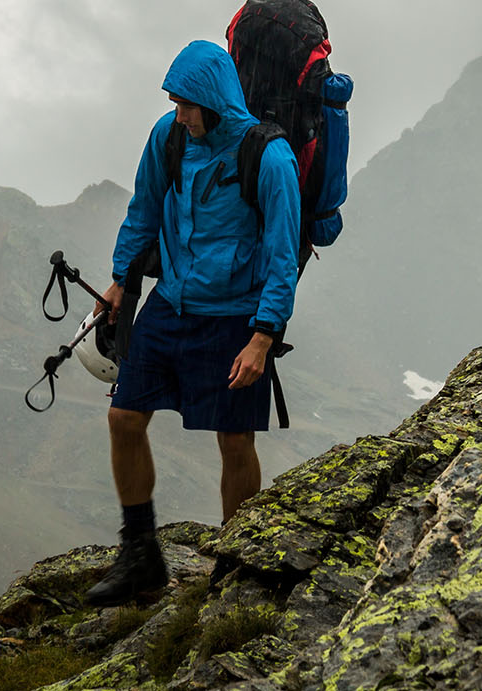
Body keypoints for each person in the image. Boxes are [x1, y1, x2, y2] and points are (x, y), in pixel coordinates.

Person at [84, 39, 301, 607]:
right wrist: (121, 280)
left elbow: (282, 257)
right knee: (123, 417)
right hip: (171, 302)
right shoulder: (170, 136)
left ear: (215, 100)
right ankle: (140, 557)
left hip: (235, 317)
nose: (180, 115)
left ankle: (235, 565)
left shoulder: (269, 157)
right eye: (175, 104)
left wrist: (262, 337)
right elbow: (144, 208)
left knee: (235, 440)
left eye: (187, 105)